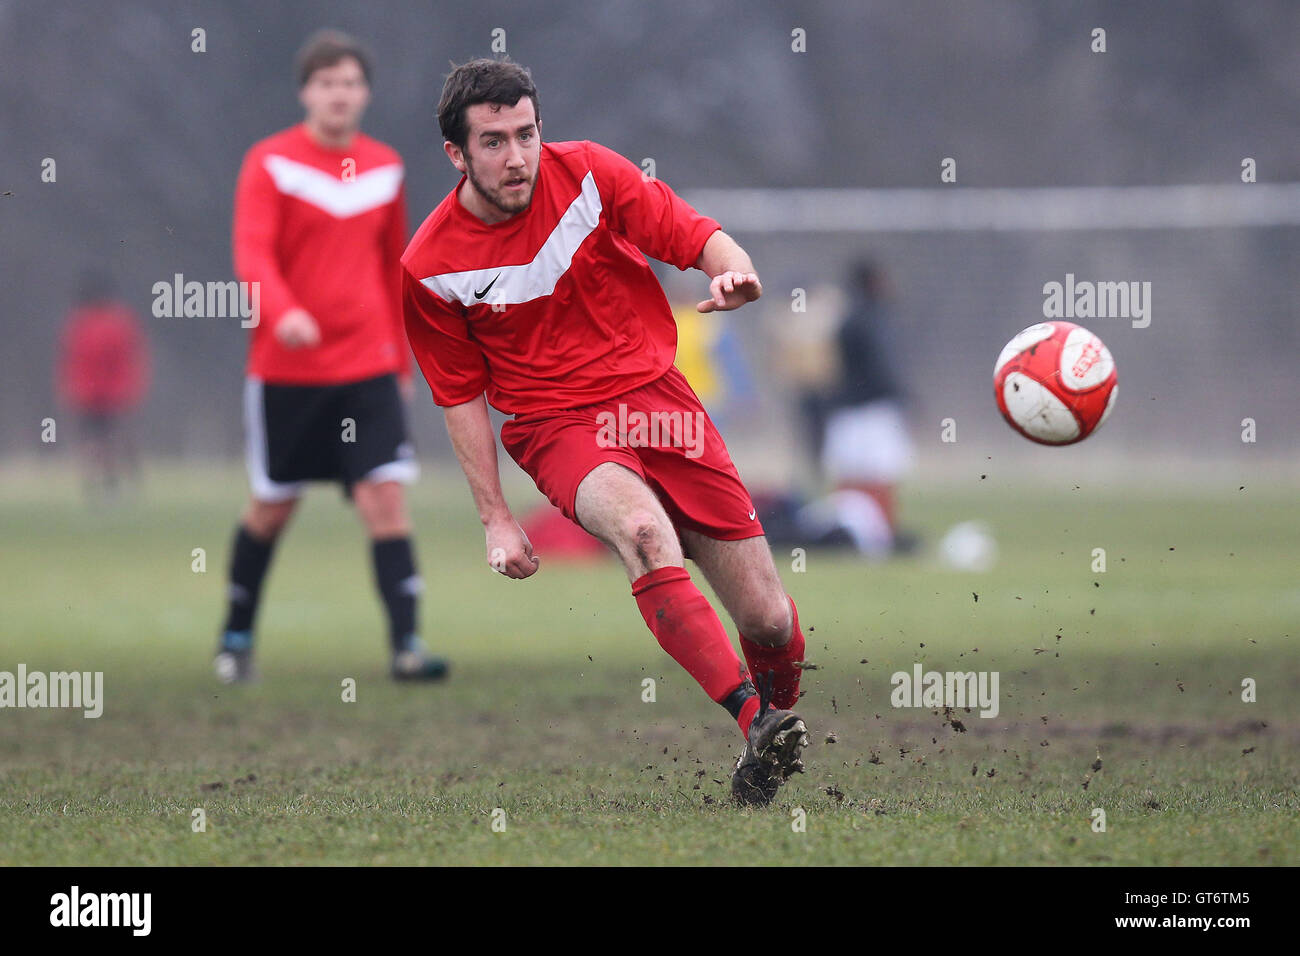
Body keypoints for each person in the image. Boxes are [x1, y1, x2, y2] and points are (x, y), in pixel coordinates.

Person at [402, 58, 808, 804]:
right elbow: (458, 397)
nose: (516, 155)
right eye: (493, 142)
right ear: (456, 155)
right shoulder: (429, 266)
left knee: (769, 617)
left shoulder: (591, 173)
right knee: (645, 536)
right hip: (555, 425)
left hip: (659, 402)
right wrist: (496, 518)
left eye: (526, 133)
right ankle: (753, 720)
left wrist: (733, 270)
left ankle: (777, 731)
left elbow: (691, 233)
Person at [215, 30, 447, 684]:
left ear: (365, 93)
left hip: (369, 367)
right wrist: (280, 308)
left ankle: (407, 647)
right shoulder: (270, 162)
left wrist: (402, 364)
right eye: (326, 83)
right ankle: (235, 638)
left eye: (350, 83)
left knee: (385, 501)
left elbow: (392, 268)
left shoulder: (386, 167)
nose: (339, 94)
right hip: (287, 373)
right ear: (305, 92)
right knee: (272, 508)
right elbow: (252, 252)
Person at [56, 272, 151, 499]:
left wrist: (71, 390)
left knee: (94, 443)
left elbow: (70, 361)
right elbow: (131, 358)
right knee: (115, 440)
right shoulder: (119, 322)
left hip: (89, 394)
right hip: (114, 393)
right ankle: (122, 483)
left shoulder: (79, 324)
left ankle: (98, 485)